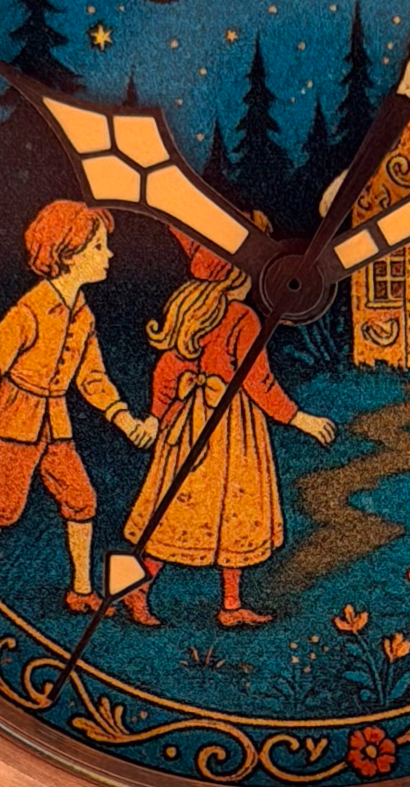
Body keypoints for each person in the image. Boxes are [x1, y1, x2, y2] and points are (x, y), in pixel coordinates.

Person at [121, 231, 335, 627]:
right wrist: (299, 419)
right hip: (232, 427)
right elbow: (259, 381)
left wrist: (156, 416)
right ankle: (226, 605)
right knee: (235, 511)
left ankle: (143, 589)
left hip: (186, 425)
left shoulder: (188, 309)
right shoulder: (241, 318)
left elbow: (167, 370)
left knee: (175, 508)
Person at [0, 200, 156, 612]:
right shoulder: (30, 310)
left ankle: (81, 590)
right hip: (16, 420)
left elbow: (92, 378)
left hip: (56, 422)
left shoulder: (82, 315)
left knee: (82, 499)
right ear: (68, 254)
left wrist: (125, 420)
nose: (109, 255)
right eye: (98, 247)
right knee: (5, 508)